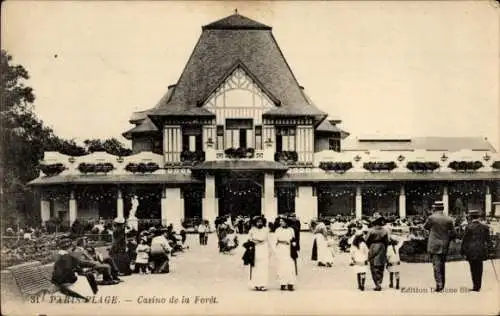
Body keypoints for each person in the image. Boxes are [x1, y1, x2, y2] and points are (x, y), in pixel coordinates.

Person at [51, 237, 98, 302]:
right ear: (68, 248)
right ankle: (92, 294)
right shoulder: (67, 256)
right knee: (88, 275)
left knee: (86, 274)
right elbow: (77, 264)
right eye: (71, 248)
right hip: (65, 279)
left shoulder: (60, 255)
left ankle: (91, 294)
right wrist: (93, 264)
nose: (72, 249)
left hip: (57, 279)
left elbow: (76, 264)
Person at [423, 201, 456, 292]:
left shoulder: (431, 218)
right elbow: (453, 233)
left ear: (435, 208)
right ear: (443, 208)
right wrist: (447, 239)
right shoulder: (448, 219)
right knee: (442, 264)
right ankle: (442, 283)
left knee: (436, 265)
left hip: (434, 244)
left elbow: (425, 227)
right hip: (444, 244)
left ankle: (439, 284)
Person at [460, 209, 491, 292]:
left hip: (471, 251)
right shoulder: (485, 227)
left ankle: (475, 286)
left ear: (470, 217)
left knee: (473, 268)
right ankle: (478, 285)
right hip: (481, 250)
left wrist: (462, 251)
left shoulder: (468, 227)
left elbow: (465, 240)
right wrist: (490, 250)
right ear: (478, 217)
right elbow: (488, 240)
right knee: (480, 268)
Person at [366, 212, 390, 291]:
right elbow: (387, 241)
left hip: (373, 247)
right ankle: (379, 282)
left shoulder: (371, 230)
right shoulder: (385, 230)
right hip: (382, 247)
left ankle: (377, 284)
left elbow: (367, 240)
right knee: (381, 266)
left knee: (373, 266)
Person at [274, 217, 297, 291]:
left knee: (290, 265)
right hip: (280, 249)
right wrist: (275, 250)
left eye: (282, 221)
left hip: (289, 249)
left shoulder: (291, 230)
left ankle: (290, 283)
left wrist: (294, 245)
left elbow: (294, 239)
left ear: (286, 222)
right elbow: (274, 240)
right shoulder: (278, 230)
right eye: (280, 221)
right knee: (281, 266)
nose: (281, 223)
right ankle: (282, 283)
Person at [248, 215, 270, 291]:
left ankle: (263, 284)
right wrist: (254, 240)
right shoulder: (252, 230)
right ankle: (256, 284)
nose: (259, 223)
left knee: (263, 267)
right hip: (255, 250)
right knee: (256, 266)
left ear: (263, 222)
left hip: (263, 250)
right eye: (257, 222)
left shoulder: (266, 229)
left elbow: (262, 239)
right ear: (255, 223)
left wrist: (254, 239)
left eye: (260, 221)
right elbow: (249, 239)